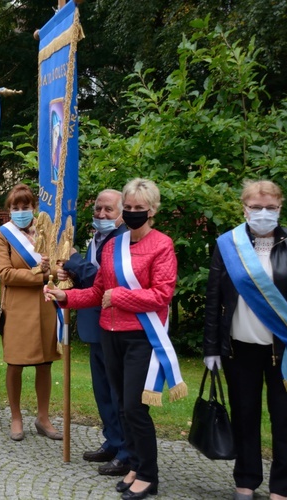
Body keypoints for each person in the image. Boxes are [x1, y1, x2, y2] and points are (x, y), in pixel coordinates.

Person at [46, 178, 184, 500]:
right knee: (122, 406)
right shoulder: (111, 247)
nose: (135, 212)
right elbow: (97, 293)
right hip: (109, 335)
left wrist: (119, 296)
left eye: (140, 208)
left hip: (141, 337)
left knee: (135, 408)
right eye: (131, 207)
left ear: (152, 211)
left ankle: (149, 475)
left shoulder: (162, 245)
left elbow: (161, 295)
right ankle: (134, 466)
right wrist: (64, 298)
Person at [203, 180, 287, 500]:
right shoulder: (228, 244)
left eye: (270, 207)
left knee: (286, 421)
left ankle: (280, 490)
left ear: (281, 207)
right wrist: (211, 347)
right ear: (244, 207)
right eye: (256, 207)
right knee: (244, 417)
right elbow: (213, 299)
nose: (263, 213)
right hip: (239, 350)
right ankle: (245, 482)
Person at [58, 189, 131, 476]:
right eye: (98, 209)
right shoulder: (95, 239)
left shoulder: (124, 241)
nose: (101, 215)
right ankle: (112, 442)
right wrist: (70, 276)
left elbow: (104, 280)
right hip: (94, 326)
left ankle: (127, 451)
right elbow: (89, 283)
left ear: (122, 213)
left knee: (118, 394)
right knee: (102, 392)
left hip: (116, 327)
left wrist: (75, 262)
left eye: (108, 210)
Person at [0, 183, 61, 442]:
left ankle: (43, 418)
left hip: (45, 305)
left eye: (26, 207)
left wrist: (51, 271)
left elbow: (59, 267)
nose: (21, 211)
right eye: (15, 207)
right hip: (18, 308)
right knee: (16, 363)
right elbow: (5, 273)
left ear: (34, 207)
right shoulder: (3, 234)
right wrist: (39, 274)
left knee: (45, 364)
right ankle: (16, 417)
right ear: (9, 210)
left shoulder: (46, 230)